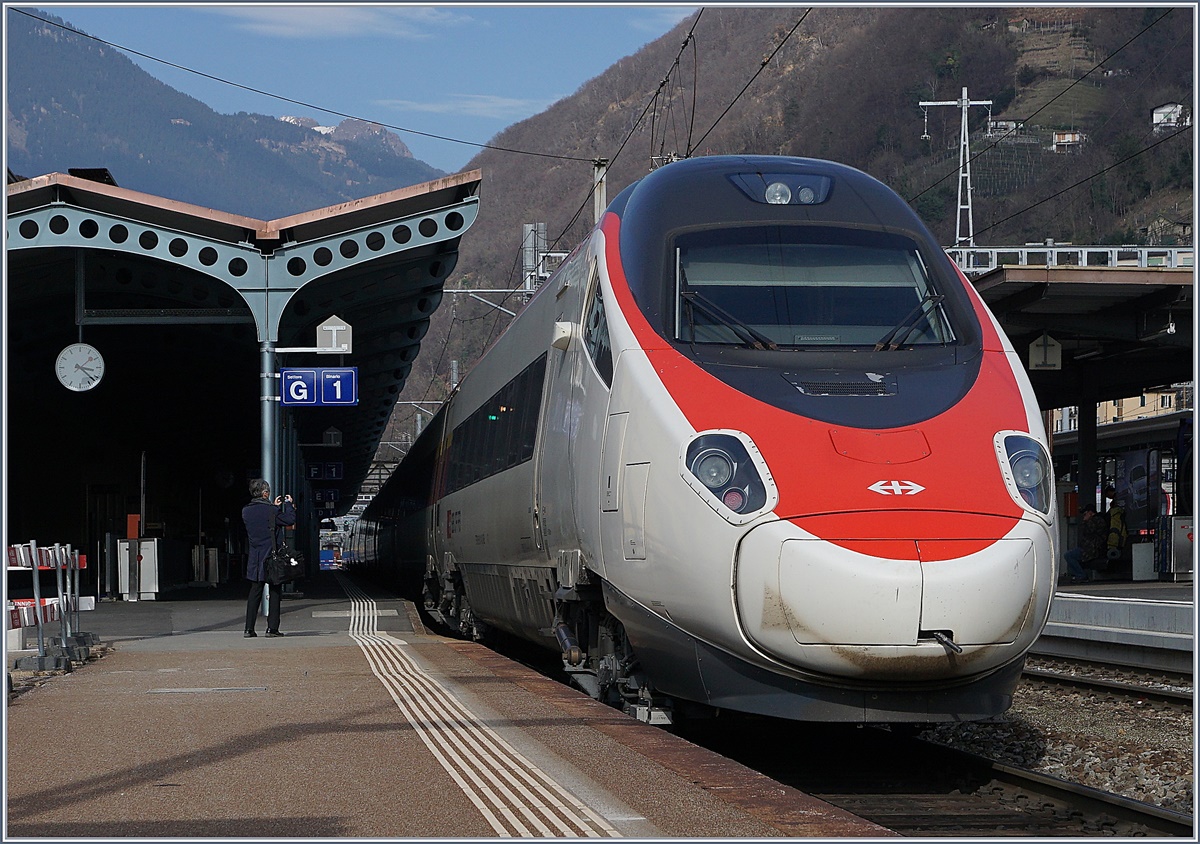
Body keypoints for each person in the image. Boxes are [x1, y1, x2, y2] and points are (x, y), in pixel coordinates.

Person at [242, 478, 296, 638]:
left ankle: (248, 629)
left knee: (255, 592)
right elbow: (289, 520)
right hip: (272, 557)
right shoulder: (272, 511)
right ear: (265, 493)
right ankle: (272, 629)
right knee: (274, 591)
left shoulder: (245, 511)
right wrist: (288, 505)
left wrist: (273, 507)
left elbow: (262, 522)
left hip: (255, 557)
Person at [1063, 502, 1106, 582]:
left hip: (1091, 549)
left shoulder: (1096, 521)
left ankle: (1081, 575)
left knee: (1069, 555)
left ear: (1090, 513)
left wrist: (1086, 521)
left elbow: (1088, 530)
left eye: (1085, 514)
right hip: (1090, 548)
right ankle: (1079, 574)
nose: (1084, 516)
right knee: (1071, 555)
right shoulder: (1097, 520)